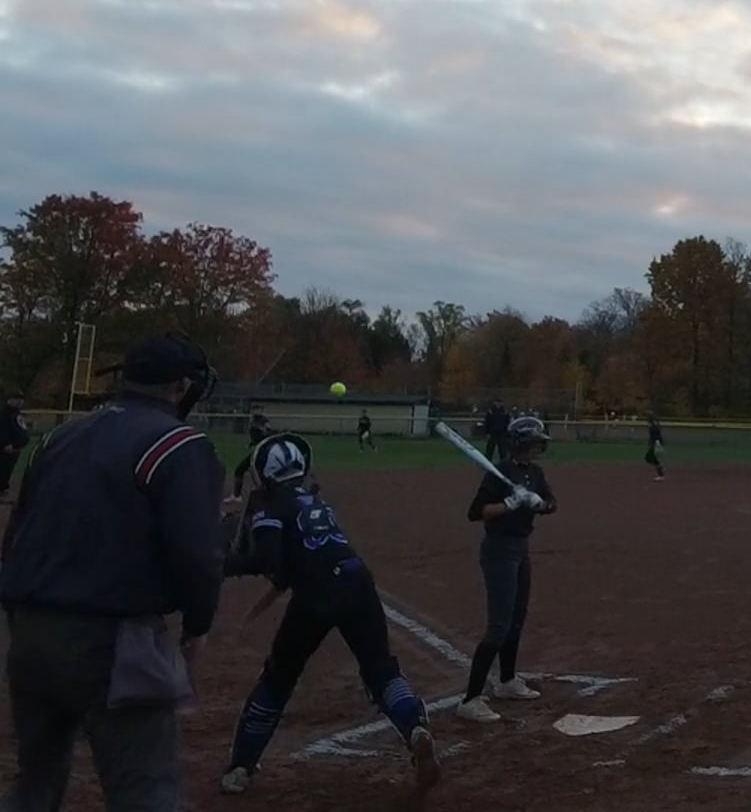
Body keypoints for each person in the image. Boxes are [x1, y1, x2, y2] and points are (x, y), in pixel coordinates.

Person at [0, 333, 226, 810]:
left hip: (29, 633)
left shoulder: (58, 437)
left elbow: (15, 538)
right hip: (111, 643)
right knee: (147, 791)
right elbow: (197, 555)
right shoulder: (178, 443)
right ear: (182, 386)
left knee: (34, 786)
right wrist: (197, 627)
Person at [217, 433, 438, 795]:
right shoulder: (315, 500)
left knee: (278, 678)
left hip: (316, 593)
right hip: (358, 581)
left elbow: (267, 560)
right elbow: (290, 566)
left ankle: (240, 767)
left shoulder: (268, 503)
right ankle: (414, 727)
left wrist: (225, 565)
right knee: (380, 670)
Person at [456, 416, 557, 723]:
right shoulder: (499, 473)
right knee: (499, 625)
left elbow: (552, 503)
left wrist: (539, 503)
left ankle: (507, 681)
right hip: (499, 550)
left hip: (520, 548)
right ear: (521, 443)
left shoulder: (535, 473)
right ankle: (470, 699)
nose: (538, 447)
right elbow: (476, 512)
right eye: (534, 442)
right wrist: (510, 504)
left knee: (516, 618)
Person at [0, 390, 30, 499]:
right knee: (3, 469)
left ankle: (3, 488)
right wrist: (4, 444)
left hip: (15, 448)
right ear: (9, 400)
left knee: (8, 470)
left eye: (21, 399)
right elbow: (2, 430)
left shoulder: (17, 414)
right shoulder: (4, 414)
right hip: (6, 448)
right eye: (16, 399)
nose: (20, 401)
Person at [482, 398, 511, 464]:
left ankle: (503, 463)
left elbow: (508, 422)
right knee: (490, 449)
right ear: (494, 403)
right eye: (497, 402)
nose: (498, 404)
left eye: (500, 402)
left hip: (502, 433)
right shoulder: (490, 411)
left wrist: (507, 433)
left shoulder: (505, 411)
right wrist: (487, 433)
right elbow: (487, 422)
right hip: (492, 433)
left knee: (503, 450)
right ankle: (487, 463)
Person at [644, 413, 666, 481]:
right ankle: (660, 469)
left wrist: (657, 444)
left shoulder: (653, 428)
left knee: (649, 457)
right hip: (656, 444)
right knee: (650, 458)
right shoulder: (653, 427)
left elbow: (656, 436)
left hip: (656, 444)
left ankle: (661, 474)